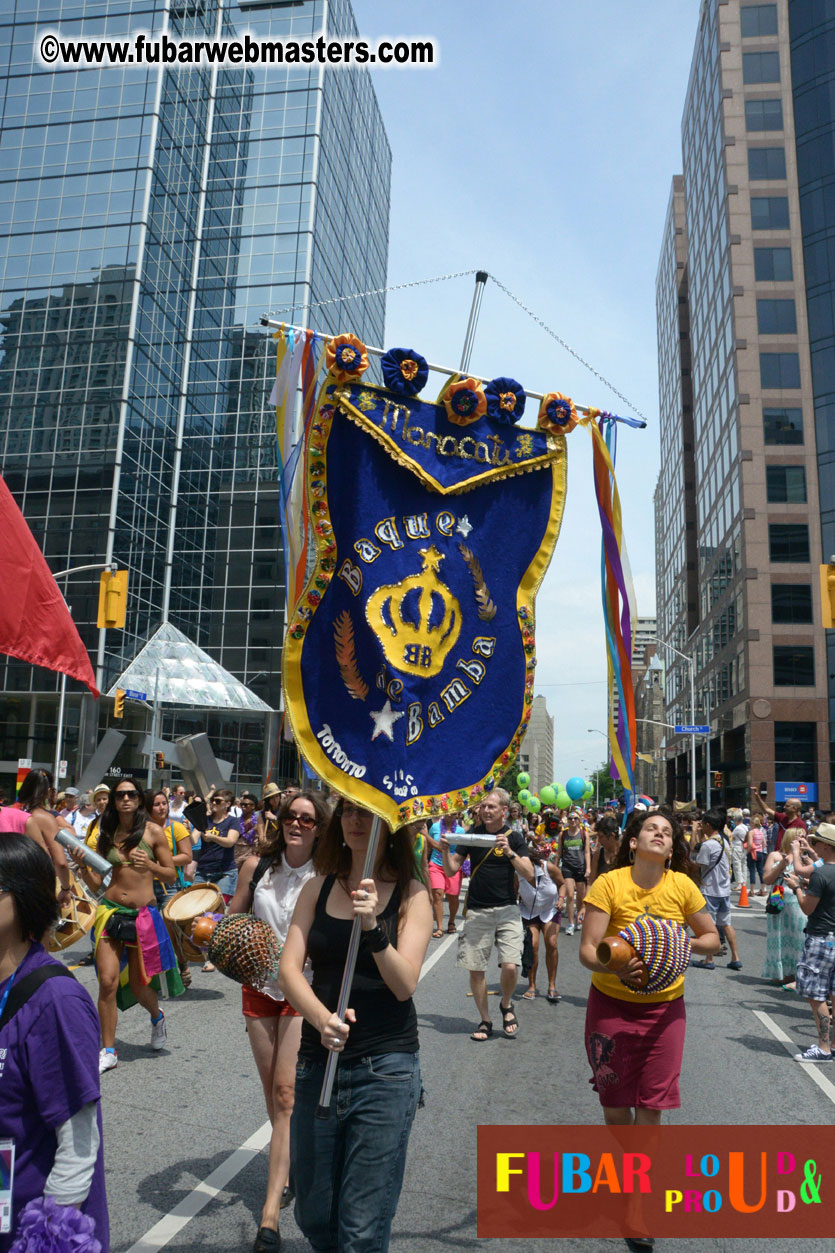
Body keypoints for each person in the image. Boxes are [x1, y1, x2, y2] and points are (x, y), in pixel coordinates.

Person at [280, 797, 432, 1253]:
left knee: (361, 1230)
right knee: (313, 1214)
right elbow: (289, 970)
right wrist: (321, 1019)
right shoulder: (318, 888)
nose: (353, 820)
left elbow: (404, 984)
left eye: (365, 813)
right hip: (317, 1064)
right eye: (347, 810)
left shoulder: (412, 893)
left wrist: (373, 929)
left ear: (388, 826)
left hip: (385, 1069)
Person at [228, 790, 327, 1252]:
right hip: (258, 987)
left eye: (308, 819)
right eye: (292, 816)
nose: (298, 824)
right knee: (273, 1092)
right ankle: (289, 1168)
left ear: (318, 827)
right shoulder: (257, 868)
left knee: (287, 1093)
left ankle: (270, 1214)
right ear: (281, 820)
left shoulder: (327, 876)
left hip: (301, 992)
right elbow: (232, 922)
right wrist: (205, 927)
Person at [579, 807, 719, 1132]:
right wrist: (616, 970)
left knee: (651, 1109)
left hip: (665, 1012)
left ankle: (636, 1179)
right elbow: (587, 951)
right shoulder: (608, 884)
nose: (659, 833)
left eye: (667, 832)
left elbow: (712, 940)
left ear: (671, 851)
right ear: (632, 841)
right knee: (615, 1109)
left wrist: (675, 943)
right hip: (610, 1007)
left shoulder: (682, 885)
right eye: (651, 828)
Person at [0, 834, 109, 1252]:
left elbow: (79, 1143)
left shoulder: (56, 1000)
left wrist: (47, 1239)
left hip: (25, 1229)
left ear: (25, 896)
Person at [69, 778, 184, 1074]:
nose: (125, 799)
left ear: (139, 799)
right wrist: (81, 865)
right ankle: (108, 1050)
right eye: (120, 795)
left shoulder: (153, 832)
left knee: (137, 983)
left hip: (142, 916)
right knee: (106, 981)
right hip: (110, 911)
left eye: (131, 794)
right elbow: (98, 883)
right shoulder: (106, 832)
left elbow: (171, 875)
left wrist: (151, 867)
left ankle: (157, 1017)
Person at [440, 788, 534, 1041]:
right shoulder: (472, 836)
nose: (486, 810)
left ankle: (506, 1004)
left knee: (511, 965)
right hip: (478, 911)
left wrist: (510, 852)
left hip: (507, 910)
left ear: (504, 811)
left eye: (492, 806)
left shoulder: (514, 838)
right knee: (476, 969)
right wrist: (445, 850)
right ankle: (485, 1020)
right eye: (483, 806)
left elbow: (529, 873)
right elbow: (451, 871)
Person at [784, 822, 835, 1061]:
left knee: (816, 995)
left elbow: (807, 907)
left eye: (815, 843)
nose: (812, 846)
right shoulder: (824, 872)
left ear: (825, 846)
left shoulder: (821, 873)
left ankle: (823, 1047)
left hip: (821, 939)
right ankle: (832, 1046)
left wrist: (796, 888)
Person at [690, 808, 742, 971]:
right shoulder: (724, 841)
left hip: (710, 890)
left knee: (710, 926)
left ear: (708, 824)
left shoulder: (709, 845)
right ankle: (735, 957)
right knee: (726, 924)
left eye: (703, 824)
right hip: (724, 890)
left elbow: (697, 862)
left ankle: (709, 958)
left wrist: (693, 833)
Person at [16, 769, 73, 909]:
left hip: (10, 885)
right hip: (37, 888)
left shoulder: (11, 812)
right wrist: (65, 889)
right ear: (48, 791)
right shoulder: (45, 818)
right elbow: (60, 862)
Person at [762, 828, 811, 987]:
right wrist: (782, 864)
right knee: (778, 937)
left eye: (804, 837)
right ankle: (780, 973)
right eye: (799, 837)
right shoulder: (775, 855)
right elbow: (767, 879)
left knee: (799, 939)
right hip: (779, 898)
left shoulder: (806, 859)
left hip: (798, 901)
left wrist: (801, 878)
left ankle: (797, 975)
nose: (803, 841)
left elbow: (814, 881)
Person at [518, 844, 563, 1003]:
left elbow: (562, 883)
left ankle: (552, 985)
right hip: (529, 912)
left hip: (550, 910)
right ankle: (531, 985)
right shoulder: (517, 873)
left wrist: (561, 899)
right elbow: (512, 893)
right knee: (533, 946)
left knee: (551, 943)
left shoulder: (548, 867)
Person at [192, 787, 240, 904]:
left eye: (218, 801)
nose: (213, 803)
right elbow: (193, 840)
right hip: (203, 871)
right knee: (195, 905)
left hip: (225, 872)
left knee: (218, 908)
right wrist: (188, 830)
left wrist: (213, 837)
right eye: (212, 800)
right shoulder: (205, 819)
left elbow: (230, 842)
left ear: (227, 804)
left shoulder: (233, 821)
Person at [425, 811, 464, 937]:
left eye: (453, 814)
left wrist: (464, 865)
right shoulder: (435, 827)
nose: (450, 816)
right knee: (437, 894)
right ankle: (439, 927)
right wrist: (424, 861)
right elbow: (428, 844)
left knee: (453, 896)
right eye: (448, 813)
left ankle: (451, 922)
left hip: (453, 865)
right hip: (436, 863)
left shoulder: (460, 831)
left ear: (457, 816)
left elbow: (464, 851)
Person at [558, 809, 591, 935]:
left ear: (579, 820)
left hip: (580, 867)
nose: (572, 821)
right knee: (570, 895)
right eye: (570, 818)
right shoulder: (563, 834)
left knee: (581, 897)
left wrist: (588, 868)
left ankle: (579, 917)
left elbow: (587, 852)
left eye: (575, 818)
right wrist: (555, 867)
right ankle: (571, 923)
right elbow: (559, 853)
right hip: (567, 867)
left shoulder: (584, 834)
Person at [589, 815, 621, 884]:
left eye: (601, 837)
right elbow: (591, 881)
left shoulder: (625, 853)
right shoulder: (598, 854)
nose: (599, 841)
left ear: (612, 835)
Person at [235, 791, 260, 869]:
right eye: (241, 805)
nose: (243, 807)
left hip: (250, 855)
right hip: (236, 856)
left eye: (246, 805)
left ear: (253, 806)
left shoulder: (258, 821)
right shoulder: (236, 821)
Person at [745, 817, 767, 895]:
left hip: (752, 853)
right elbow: (764, 843)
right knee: (761, 871)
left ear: (752, 824)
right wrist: (760, 848)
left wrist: (747, 852)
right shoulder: (761, 832)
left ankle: (752, 890)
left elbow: (750, 844)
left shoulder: (751, 832)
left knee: (752, 871)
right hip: (760, 853)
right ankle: (763, 890)